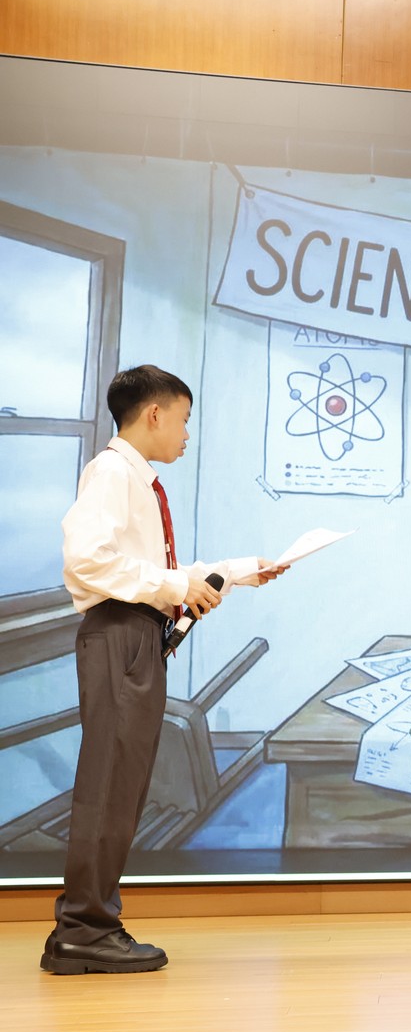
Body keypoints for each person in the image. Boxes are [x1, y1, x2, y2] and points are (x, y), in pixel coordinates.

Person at [42, 364, 287, 975]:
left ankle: (85, 927)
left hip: (133, 636)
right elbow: (87, 561)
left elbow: (148, 570)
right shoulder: (113, 473)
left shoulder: (135, 479)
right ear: (155, 414)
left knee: (120, 785)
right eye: (183, 420)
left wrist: (238, 571)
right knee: (110, 784)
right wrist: (177, 586)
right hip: (120, 636)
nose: (186, 434)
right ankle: (84, 930)